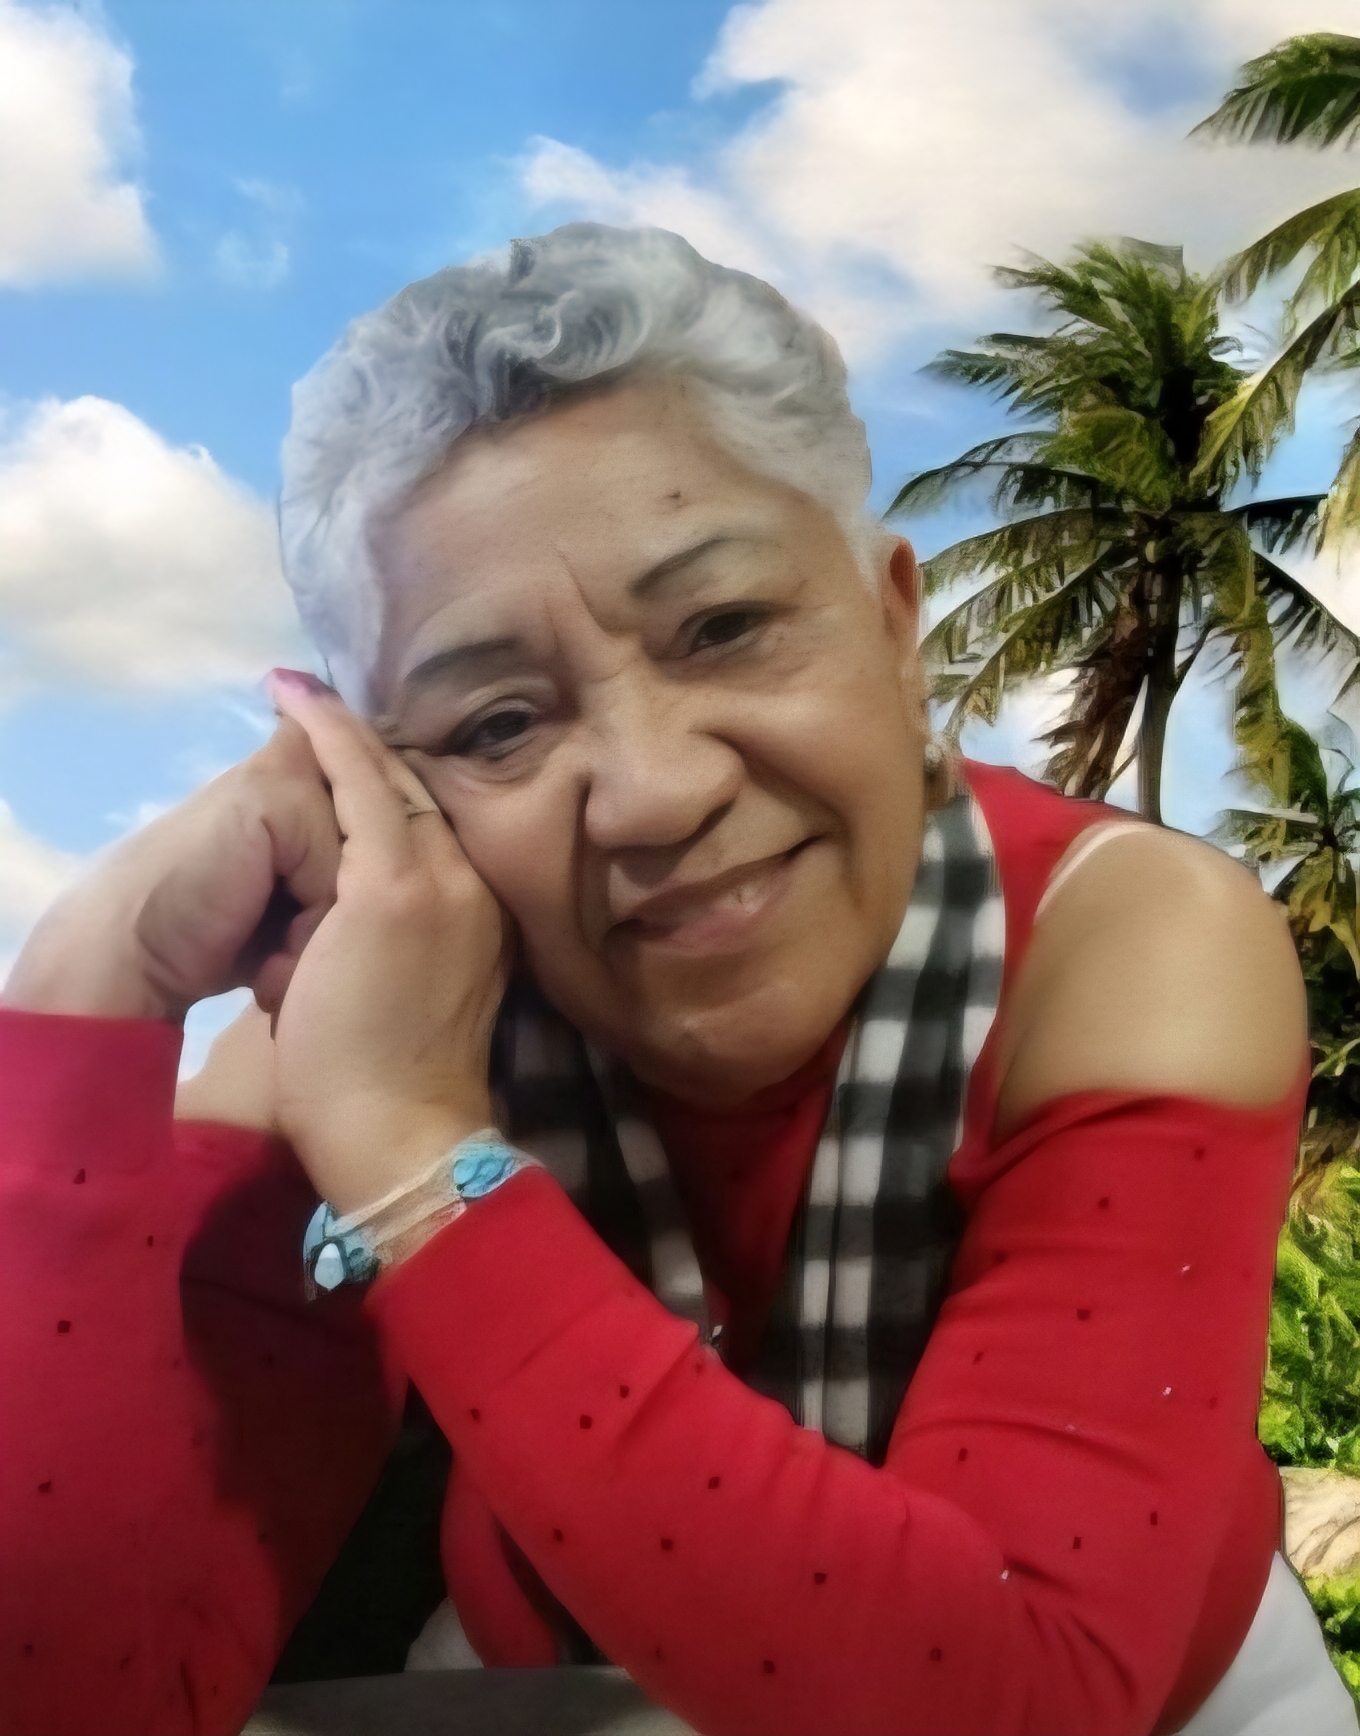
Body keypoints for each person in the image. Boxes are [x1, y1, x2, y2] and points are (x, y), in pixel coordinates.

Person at [1, 224, 1353, 1736]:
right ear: (385, 783)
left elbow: (1023, 1700)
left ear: (895, 623)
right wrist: (89, 990)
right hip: (573, 1670)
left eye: (726, 628)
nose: (652, 795)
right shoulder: (371, 1022)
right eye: (499, 725)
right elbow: (80, 1698)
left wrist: (415, 1163)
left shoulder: (1122, 938)